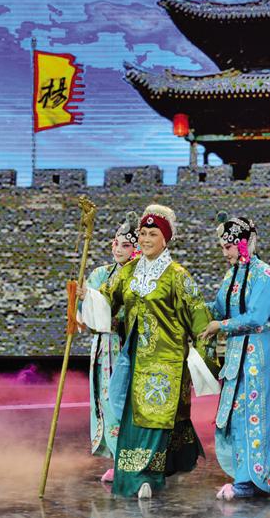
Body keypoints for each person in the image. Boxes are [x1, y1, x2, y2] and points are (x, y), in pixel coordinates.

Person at [78, 204, 217, 499]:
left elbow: (199, 317)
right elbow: (106, 301)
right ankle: (146, 471)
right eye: (142, 233)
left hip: (165, 361)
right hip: (133, 359)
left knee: (154, 418)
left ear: (165, 239)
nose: (145, 239)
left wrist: (203, 358)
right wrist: (87, 297)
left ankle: (145, 477)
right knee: (129, 414)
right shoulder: (128, 272)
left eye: (152, 234)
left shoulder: (178, 276)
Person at [198, 213, 270, 500]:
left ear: (243, 243)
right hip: (237, 350)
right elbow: (218, 308)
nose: (225, 253)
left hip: (258, 350)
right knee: (237, 412)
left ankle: (247, 480)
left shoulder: (264, 274)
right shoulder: (231, 275)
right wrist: (191, 307)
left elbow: (256, 317)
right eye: (222, 247)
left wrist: (221, 326)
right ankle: (251, 475)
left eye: (228, 247)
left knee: (254, 412)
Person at [77, 211, 138, 483]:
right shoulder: (100, 274)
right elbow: (87, 313)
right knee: (103, 401)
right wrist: (82, 300)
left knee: (122, 402)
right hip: (103, 346)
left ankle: (133, 459)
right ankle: (117, 458)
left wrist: (97, 302)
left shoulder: (138, 276)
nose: (118, 249)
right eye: (115, 243)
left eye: (125, 245)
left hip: (126, 345)